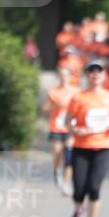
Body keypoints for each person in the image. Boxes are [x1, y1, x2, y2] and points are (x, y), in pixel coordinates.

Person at [66, 61, 109, 217]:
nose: (95, 74)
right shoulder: (78, 97)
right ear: (87, 76)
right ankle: (77, 210)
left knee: (94, 187)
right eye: (91, 71)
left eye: (99, 71)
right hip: (81, 147)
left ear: (104, 76)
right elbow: (68, 121)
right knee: (79, 189)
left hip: (104, 147)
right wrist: (75, 130)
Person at [41, 67, 78, 195]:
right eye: (61, 75)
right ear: (58, 77)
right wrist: (55, 105)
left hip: (70, 127)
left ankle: (66, 183)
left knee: (69, 154)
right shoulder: (53, 91)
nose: (64, 77)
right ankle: (57, 171)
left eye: (66, 75)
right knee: (57, 152)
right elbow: (44, 108)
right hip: (56, 126)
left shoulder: (76, 91)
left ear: (70, 77)